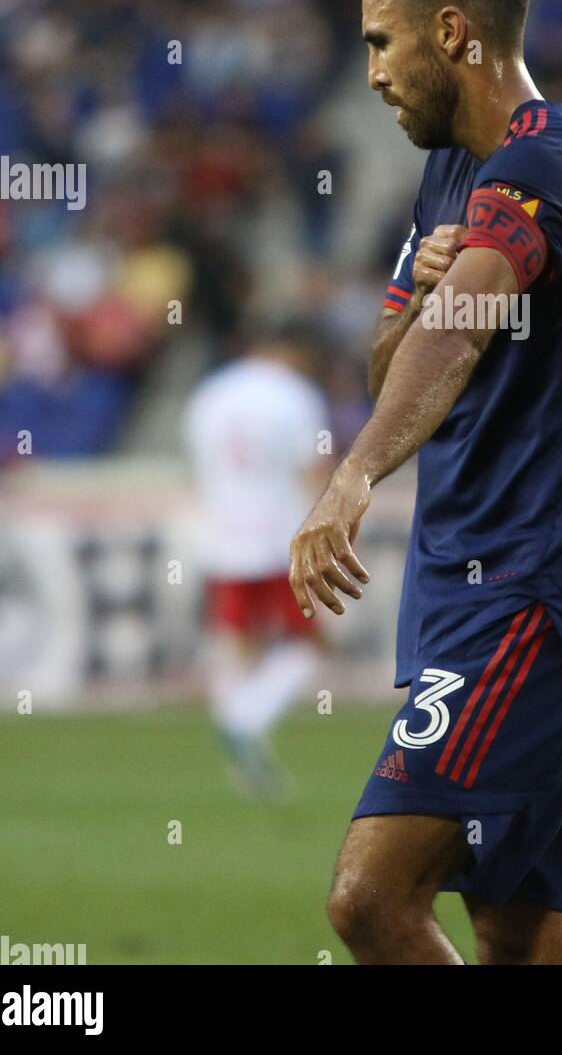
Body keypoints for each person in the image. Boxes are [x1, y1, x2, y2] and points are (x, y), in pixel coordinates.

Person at [288, 0, 562, 965]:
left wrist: (354, 473)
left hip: (534, 603)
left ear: (452, 33)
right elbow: (393, 352)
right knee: (519, 934)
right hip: (469, 600)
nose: (369, 72)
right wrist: (421, 288)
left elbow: (455, 330)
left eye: (379, 41)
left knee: (370, 895)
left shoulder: (553, 173)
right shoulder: (450, 172)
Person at [184, 319, 330, 798]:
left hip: (223, 537)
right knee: (308, 646)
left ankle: (245, 753)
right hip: (281, 538)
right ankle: (244, 720)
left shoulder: (209, 395)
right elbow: (315, 469)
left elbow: (198, 468)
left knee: (239, 643)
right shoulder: (294, 395)